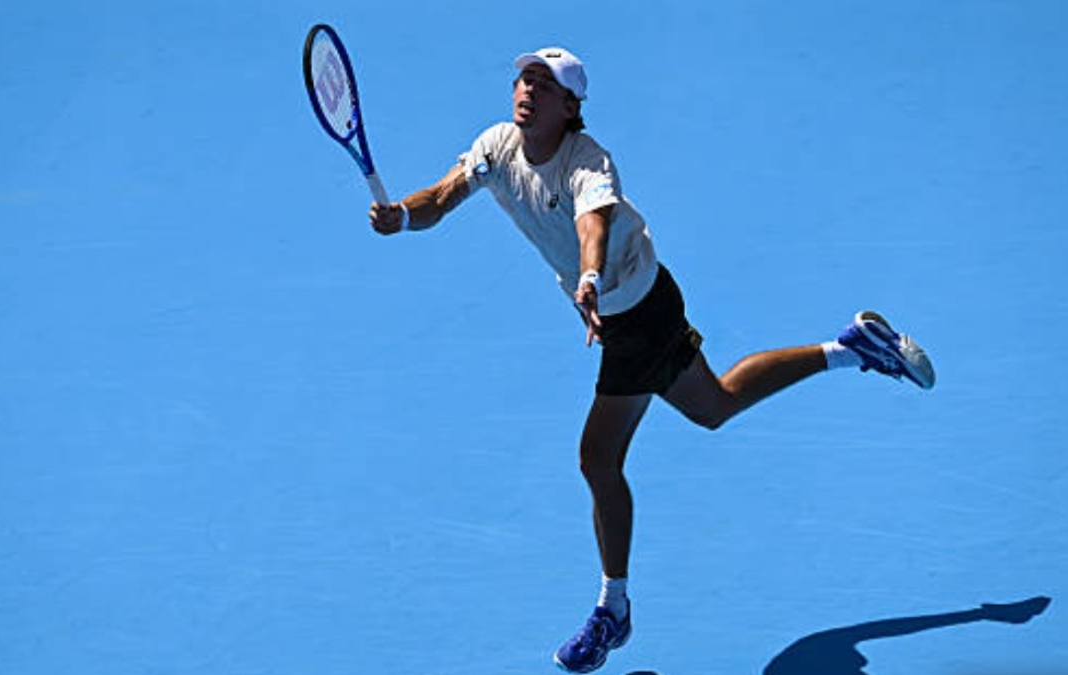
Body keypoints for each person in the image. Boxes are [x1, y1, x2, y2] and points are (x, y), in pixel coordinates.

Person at [368, 47, 935, 674]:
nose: (527, 89)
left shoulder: (589, 164)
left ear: (570, 106)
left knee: (597, 457)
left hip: (635, 313)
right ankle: (850, 348)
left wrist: (588, 278)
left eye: (544, 84)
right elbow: (443, 195)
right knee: (713, 405)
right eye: (523, 78)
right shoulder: (496, 145)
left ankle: (613, 610)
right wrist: (402, 215)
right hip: (628, 313)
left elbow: (595, 226)